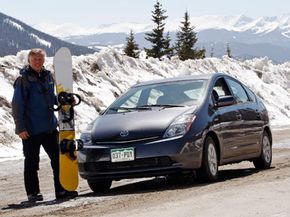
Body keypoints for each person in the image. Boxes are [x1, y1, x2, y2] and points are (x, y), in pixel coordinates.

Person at [12, 48, 77, 202]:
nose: (37, 62)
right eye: (34, 59)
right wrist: (20, 128)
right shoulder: (23, 79)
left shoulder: (47, 76)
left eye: (40, 59)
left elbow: (50, 98)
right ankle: (33, 193)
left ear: (44, 60)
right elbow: (17, 104)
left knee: (58, 160)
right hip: (31, 130)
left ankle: (61, 190)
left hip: (49, 128)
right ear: (29, 61)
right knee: (32, 163)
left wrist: (63, 100)